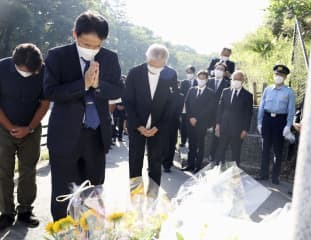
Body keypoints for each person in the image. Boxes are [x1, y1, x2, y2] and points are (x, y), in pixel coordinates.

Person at [44, 11, 123, 220]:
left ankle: (89, 232)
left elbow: (118, 91)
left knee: (93, 192)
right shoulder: (57, 56)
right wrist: (83, 84)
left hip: (95, 136)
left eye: (96, 45)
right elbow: (50, 91)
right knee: (62, 192)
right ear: (75, 34)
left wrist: (98, 85)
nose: (91, 50)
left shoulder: (110, 57)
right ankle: (62, 231)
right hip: (64, 136)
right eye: (86, 44)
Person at [0, 43, 49, 229]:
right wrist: (10, 127)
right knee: (4, 170)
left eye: (33, 72)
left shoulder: (43, 71)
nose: (29, 74)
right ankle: (6, 212)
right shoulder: (2, 68)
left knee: (28, 170)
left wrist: (29, 128)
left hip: (32, 128)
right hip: (3, 127)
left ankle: (25, 210)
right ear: (14, 64)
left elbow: (45, 103)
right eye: (24, 71)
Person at [125, 44, 178, 192]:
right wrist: (137, 125)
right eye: (152, 66)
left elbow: (172, 104)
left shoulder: (171, 74)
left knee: (155, 162)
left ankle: (153, 196)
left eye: (159, 67)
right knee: (135, 160)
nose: (155, 70)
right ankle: (135, 194)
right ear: (146, 58)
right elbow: (128, 100)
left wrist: (158, 126)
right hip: (137, 126)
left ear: (165, 62)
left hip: (159, 127)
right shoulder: (135, 73)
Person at [256, 64, 295, 185]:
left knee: (277, 151)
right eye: (277, 74)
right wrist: (259, 122)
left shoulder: (289, 92)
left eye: (281, 75)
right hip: (267, 120)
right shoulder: (267, 89)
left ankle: (275, 176)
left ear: (285, 77)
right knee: (265, 149)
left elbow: (291, 110)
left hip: (280, 121)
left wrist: (288, 125)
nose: (279, 77)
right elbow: (261, 107)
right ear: (274, 75)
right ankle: (263, 174)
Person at [214, 71, 253, 167]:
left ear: (243, 80)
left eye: (239, 79)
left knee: (236, 152)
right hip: (224, 126)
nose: (236, 81)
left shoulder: (248, 95)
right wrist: (218, 124)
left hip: (238, 129)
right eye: (234, 79)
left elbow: (248, 114)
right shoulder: (225, 91)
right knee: (221, 149)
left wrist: (245, 129)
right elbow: (220, 109)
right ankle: (219, 169)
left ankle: (235, 174)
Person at [182, 70, 216, 173]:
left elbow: (209, 108)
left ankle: (198, 166)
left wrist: (197, 118)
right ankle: (190, 164)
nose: (201, 80)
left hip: (201, 123)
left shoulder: (211, 92)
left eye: (203, 78)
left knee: (200, 145)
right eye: (199, 78)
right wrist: (190, 117)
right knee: (191, 144)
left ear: (207, 80)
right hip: (190, 122)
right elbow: (187, 104)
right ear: (197, 78)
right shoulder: (191, 90)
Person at [207, 62, 230, 161]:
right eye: (218, 68)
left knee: (217, 135)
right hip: (206, 113)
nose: (219, 71)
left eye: (221, 69)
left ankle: (214, 156)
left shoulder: (227, 83)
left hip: (220, 114)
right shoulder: (208, 81)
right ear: (214, 69)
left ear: (224, 72)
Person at [179, 65, 197, 147]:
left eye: (191, 72)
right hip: (184, 108)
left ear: (194, 73)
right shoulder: (184, 82)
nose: (189, 74)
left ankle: (191, 142)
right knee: (183, 126)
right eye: (188, 72)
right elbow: (181, 94)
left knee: (192, 126)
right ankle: (183, 141)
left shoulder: (197, 82)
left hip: (194, 108)